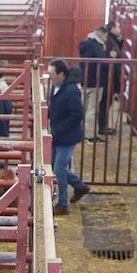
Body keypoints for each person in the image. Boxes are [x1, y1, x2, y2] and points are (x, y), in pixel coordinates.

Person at [47, 59, 89, 216]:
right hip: (58, 134)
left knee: (58, 168)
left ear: (62, 74)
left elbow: (77, 114)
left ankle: (63, 204)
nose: (50, 78)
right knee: (55, 166)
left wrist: (60, 128)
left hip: (67, 136)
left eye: (52, 74)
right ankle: (79, 186)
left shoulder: (71, 91)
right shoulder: (56, 87)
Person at [77, 25, 111, 141]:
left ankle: (81, 133)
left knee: (84, 107)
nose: (106, 38)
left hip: (85, 80)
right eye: (105, 35)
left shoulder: (86, 43)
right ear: (100, 34)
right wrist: (111, 58)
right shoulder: (96, 46)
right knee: (92, 109)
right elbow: (104, 62)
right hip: (96, 81)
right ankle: (90, 135)